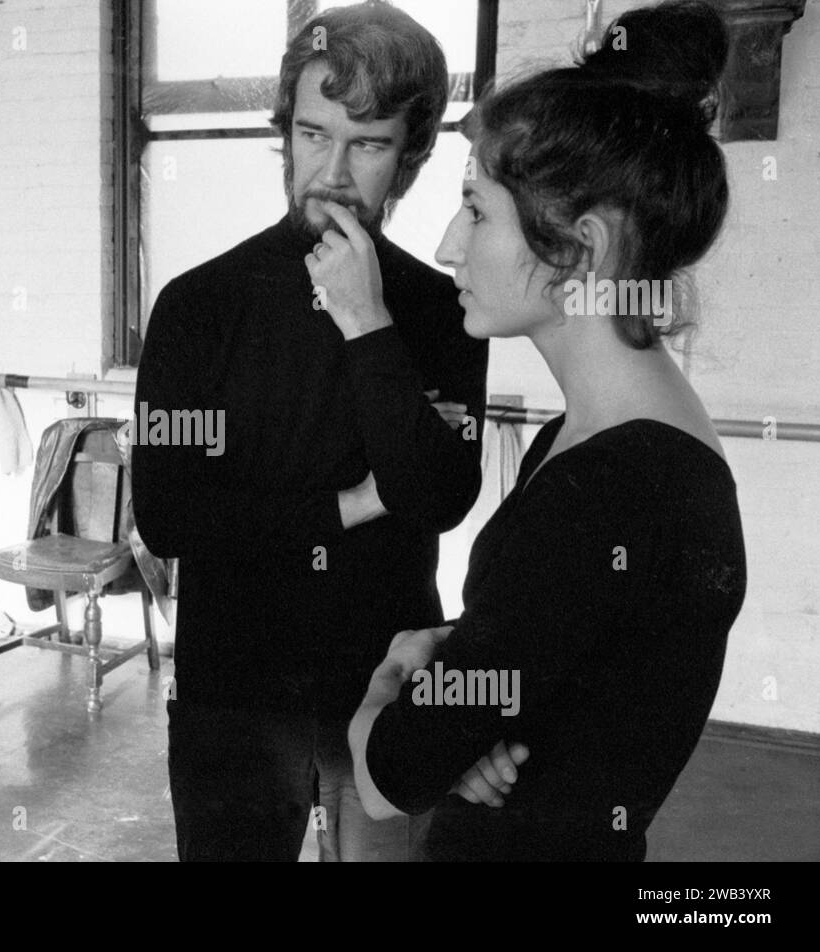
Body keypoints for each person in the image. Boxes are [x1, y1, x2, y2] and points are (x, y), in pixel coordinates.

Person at [348, 0, 748, 861]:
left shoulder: (605, 491)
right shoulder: (619, 443)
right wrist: (454, 666)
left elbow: (385, 779)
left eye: (476, 209)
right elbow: (561, 646)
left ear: (582, 249)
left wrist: (394, 675)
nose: (451, 244)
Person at [133, 1, 493, 861]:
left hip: (379, 687)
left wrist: (368, 325)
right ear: (284, 133)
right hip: (233, 692)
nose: (330, 171)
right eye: (311, 134)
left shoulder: (443, 309)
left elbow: (440, 497)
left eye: (366, 143)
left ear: (411, 158)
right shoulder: (199, 306)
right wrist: (355, 501)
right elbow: (171, 518)